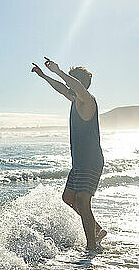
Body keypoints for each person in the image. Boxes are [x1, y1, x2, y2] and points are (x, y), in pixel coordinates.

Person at [31, 57, 106, 250]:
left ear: (79, 83)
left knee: (83, 201)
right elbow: (61, 88)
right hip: (80, 161)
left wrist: (58, 70)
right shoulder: (75, 100)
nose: (67, 84)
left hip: (90, 161)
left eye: (70, 80)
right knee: (69, 198)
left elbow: (76, 87)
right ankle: (96, 230)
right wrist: (43, 76)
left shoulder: (87, 100)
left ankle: (92, 247)